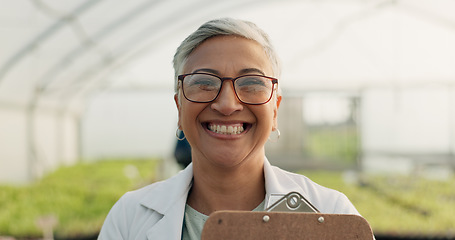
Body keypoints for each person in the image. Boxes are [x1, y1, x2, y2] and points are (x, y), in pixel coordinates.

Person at [98, 18, 360, 240]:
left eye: (251, 83)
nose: (227, 104)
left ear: (275, 109)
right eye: (204, 82)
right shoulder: (129, 219)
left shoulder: (332, 214)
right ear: (179, 108)